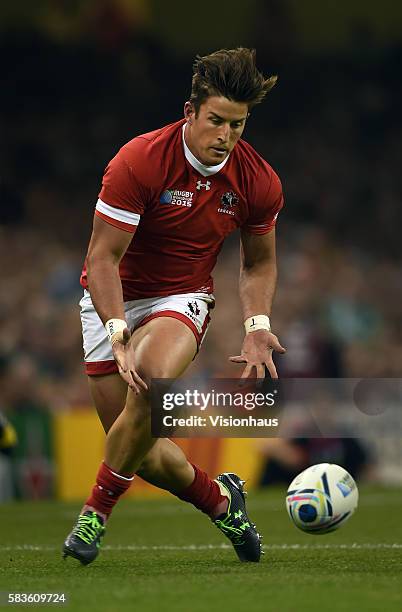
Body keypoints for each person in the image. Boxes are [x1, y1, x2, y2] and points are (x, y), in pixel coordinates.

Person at [63, 47, 285, 565]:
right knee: (140, 450)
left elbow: (258, 264)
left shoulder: (258, 181)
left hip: (181, 299)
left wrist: (256, 325)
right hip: (110, 298)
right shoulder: (139, 160)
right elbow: (102, 258)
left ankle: (92, 516)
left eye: (238, 124)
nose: (226, 135)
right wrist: (116, 329)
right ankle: (224, 502)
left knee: (149, 375)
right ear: (190, 112)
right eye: (216, 121)